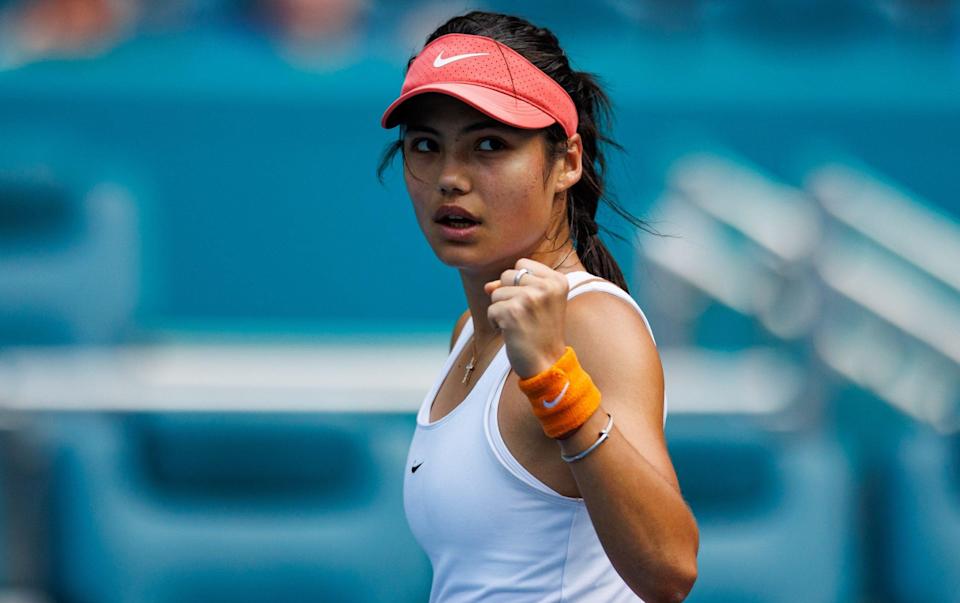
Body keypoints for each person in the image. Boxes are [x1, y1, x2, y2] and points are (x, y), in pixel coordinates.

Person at [379, 11, 698, 602]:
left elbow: (670, 571)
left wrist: (556, 381)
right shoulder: (470, 335)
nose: (450, 177)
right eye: (426, 146)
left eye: (490, 145)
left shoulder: (592, 323)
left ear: (566, 162)